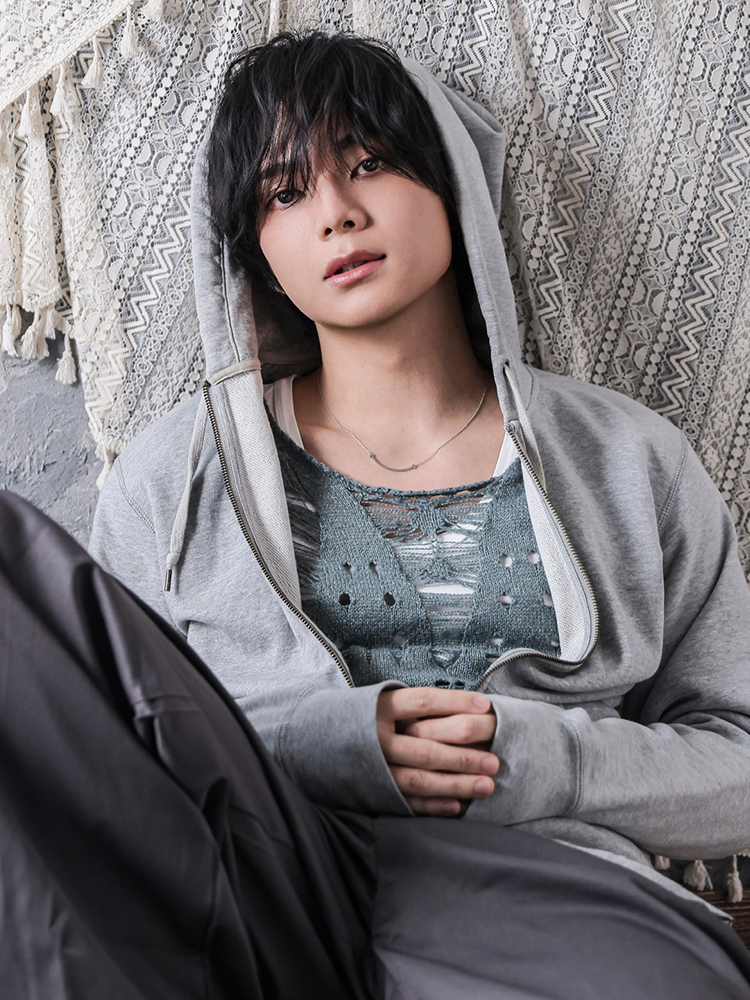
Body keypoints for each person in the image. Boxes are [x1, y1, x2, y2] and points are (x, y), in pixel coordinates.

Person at [4, 28, 750, 999]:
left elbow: (738, 768)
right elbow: (117, 755)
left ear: (452, 184)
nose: (337, 215)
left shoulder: (627, 458)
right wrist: (331, 748)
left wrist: (543, 759)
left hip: (549, 889)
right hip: (261, 882)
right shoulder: (172, 478)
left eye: (369, 164)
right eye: (285, 193)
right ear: (253, 249)